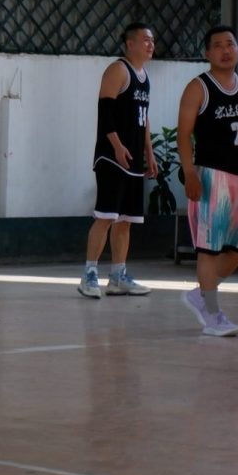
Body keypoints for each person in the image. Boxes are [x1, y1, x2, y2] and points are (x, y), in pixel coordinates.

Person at [175, 24, 238, 337]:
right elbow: (183, 135)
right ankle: (213, 316)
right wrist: (189, 173)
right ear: (207, 53)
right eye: (218, 45)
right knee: (209, 249)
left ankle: (202, 294)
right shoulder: (198, 87)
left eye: (230, 44)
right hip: (210, 176)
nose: (226, 50)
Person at [78, 22, 156, 300]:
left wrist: (149, 152)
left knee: (126, 220)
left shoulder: (145, 76)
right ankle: (89, 274)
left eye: (152, 41)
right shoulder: (117, 70)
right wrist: (117, 146)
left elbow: (144, 118)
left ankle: (118, 276)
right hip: (112, 156)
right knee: (106, 216)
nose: (150, 45)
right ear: (130, 43)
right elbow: (106, 112)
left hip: (133, 157)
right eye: (145, 40)